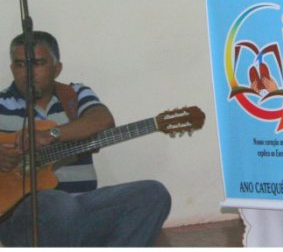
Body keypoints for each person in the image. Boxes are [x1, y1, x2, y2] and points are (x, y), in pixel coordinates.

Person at [0, 31, 171, 246]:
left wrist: (52, 134)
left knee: (152, 194)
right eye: (20, 65)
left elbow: (102, 120)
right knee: (58, 203)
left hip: (84, 206)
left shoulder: (74, 94)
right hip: (25, 218)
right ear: (11, 69)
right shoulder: (2, 104)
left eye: (38, 63)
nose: (28, 72)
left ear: (57, 68)